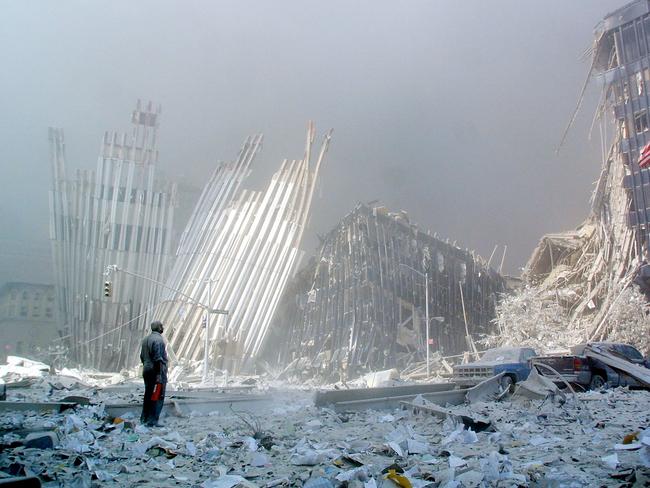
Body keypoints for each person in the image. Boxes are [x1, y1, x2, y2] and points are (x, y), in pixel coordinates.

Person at [140, 320, 168, 427]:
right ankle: (152, 420)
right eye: (162, 326)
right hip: (156, 372)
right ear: (159, 328)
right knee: (157, 395)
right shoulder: (159, 340)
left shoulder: (145, 339)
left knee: (148, 394)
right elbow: (158, 359)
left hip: (146, 370)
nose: (163, 327)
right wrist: (159, 375)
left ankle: (144, 418)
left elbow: (142, 356)